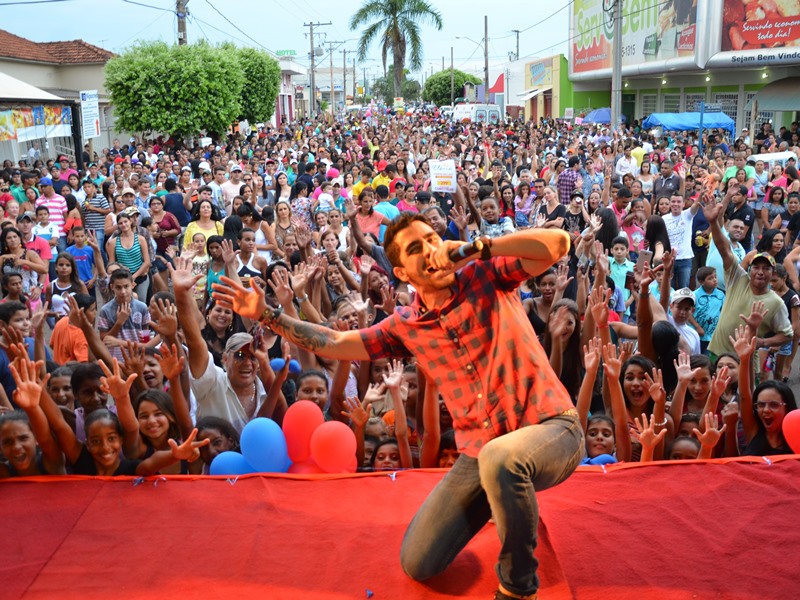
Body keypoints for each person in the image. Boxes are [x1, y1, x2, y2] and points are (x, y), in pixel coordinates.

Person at [212, 216, 583, 600]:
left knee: (502, 459)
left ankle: (519, 590)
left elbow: (556, 244)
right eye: (416, 248)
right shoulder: (406, 325)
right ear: (403, 271)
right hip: (481, 453)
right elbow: (335, 341)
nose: (431, 249)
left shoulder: (485, 273)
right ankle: (507, 499)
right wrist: (267, 314)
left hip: (552, 427)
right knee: (418, 561)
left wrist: (480, 246)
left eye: (433, 238)